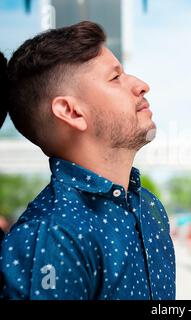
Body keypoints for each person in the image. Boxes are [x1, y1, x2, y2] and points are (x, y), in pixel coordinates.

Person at [0, 21, 175, 300]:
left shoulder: (150, 207)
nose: (142, 85)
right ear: (71, 112)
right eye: (115, 78)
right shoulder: (53, 235)